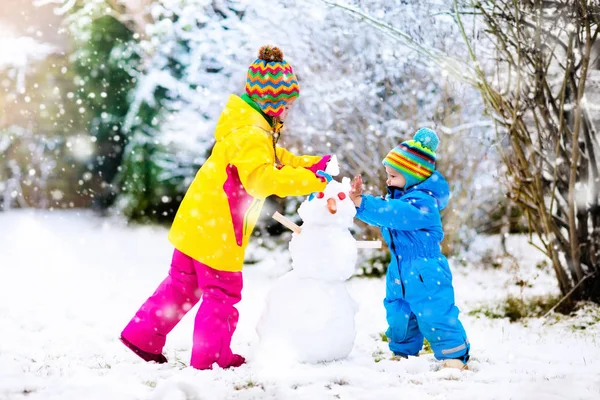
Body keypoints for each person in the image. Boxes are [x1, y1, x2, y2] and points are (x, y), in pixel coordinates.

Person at [120, 45, 330, 370]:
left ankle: (143, 335)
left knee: (182, 284)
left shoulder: (247, 126)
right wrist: (313, 183)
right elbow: (262, 179)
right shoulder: (253, 134)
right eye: (286, 105)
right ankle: (213, 356)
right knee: (222, 292)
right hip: (218, 226)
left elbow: (276, 160)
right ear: (270, 102)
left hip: (198, 217)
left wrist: (312, 166)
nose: (288, 112)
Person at [349, 128, 470, 370]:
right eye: (388, 175)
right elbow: (388, 211)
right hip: (400, 267)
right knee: (398, 313)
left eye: (393, 176)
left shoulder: (422, 203)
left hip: (426, 269)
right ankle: (403, 352)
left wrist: (364, 203)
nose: (388, 181)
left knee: (435, 312)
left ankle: (454, 356)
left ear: (413, 175)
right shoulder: (400, 200)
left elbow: (396, 215)